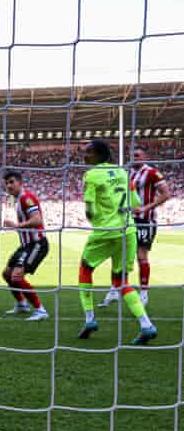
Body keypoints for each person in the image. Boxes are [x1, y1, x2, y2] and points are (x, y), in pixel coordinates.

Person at [77, 139, 156, 345]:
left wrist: (95, 219)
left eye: (88, 152)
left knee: (85, 270)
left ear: (98, 155)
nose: (84, 155)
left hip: (105, 231)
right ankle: (146, 325)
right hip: (128, 231)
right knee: (121, 282)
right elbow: (136, 202)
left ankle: (89, 319)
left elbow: (89, 209)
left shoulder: (91, 174)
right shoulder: (123, 172)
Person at [98, 145, 170, 307]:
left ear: (144, 157)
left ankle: (143, 294)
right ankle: (115, 290)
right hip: (126, 221)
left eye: (137, 155)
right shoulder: (126, 172)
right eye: (132, 155)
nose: (134, 158)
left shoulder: (152, 173)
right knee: (119, 256)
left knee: (141, 256)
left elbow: (166, 194)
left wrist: (145, 208)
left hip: (145, 220)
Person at [1, 171, 49, 321]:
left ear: (20, 183)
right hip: (25, 245)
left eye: (12, 182)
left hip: (37, 244)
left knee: (16, 277)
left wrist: (16, 225)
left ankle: (40, 310)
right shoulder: (15, 199)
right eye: (7, 183)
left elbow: (37, 220)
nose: (9, 185)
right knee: (7, 274)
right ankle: (22, 304)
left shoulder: (26, 198)